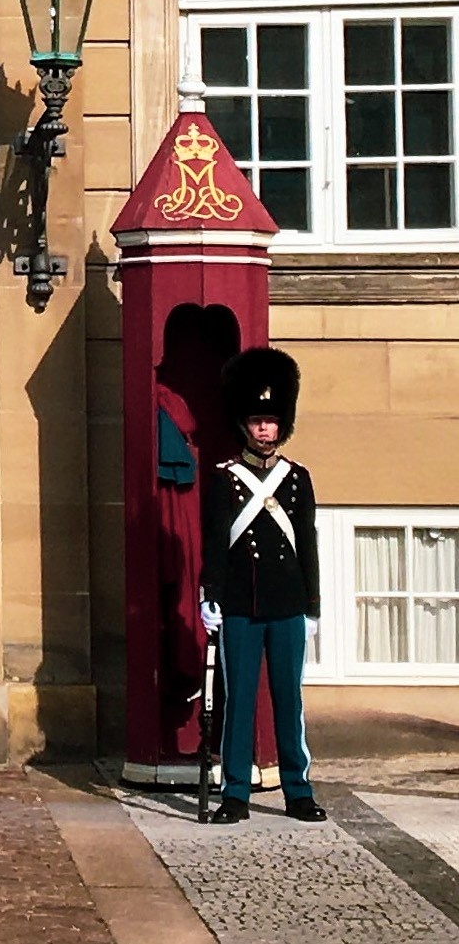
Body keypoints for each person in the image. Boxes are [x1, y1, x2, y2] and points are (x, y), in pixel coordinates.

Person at [199, 346, 325, 825]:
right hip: (240, 606)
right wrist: (212, 595)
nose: (264, 429)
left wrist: (312, 606)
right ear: (244, 425)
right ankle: (235, 792)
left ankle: (298, 790)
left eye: (272, 421)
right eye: (257, 420)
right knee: (239, 702)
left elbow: (307, 545)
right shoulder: (225, 481)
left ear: (282, 424)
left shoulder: (298, 479)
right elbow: (214, 543)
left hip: (287, 604)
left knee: (288, 702)